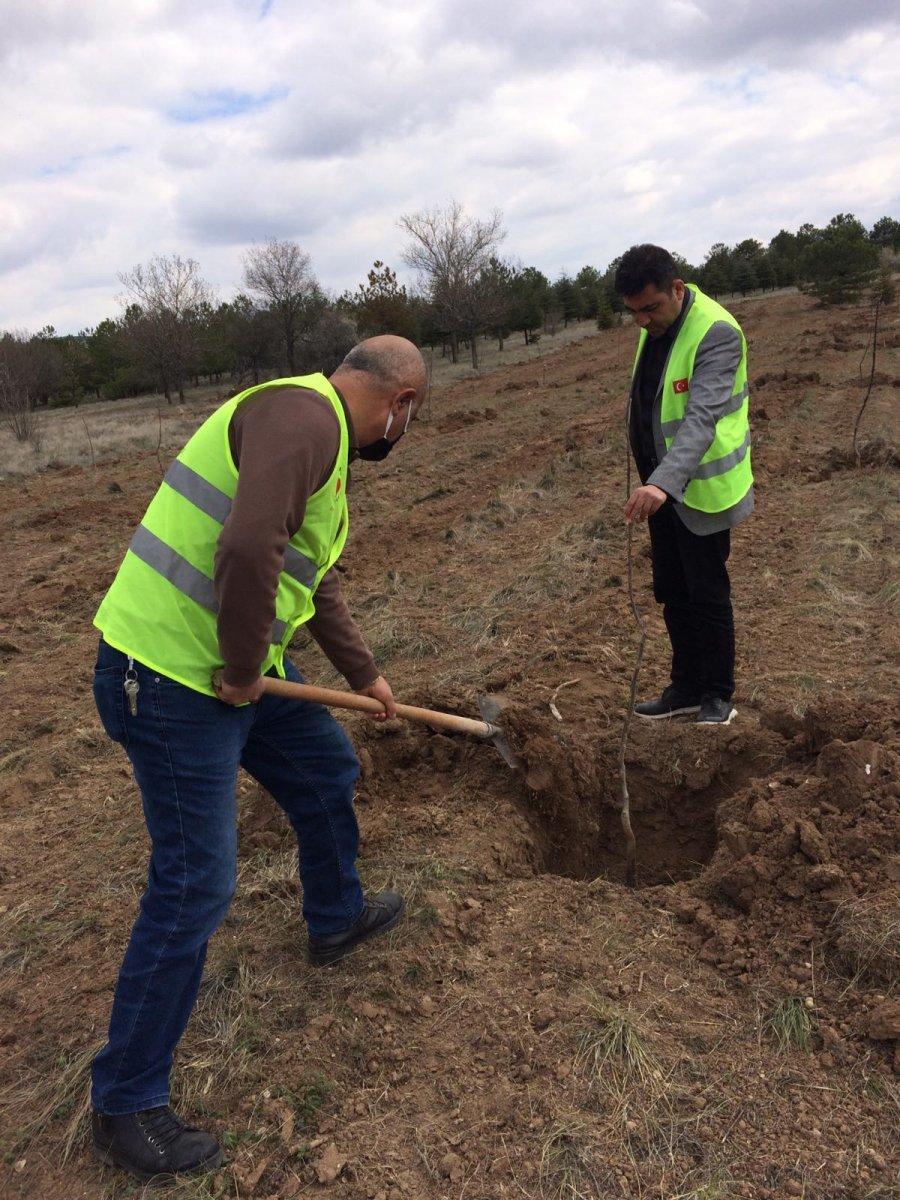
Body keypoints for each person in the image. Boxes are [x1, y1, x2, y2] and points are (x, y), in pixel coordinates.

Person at [89, 335, 427, 1182]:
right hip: (171, 677)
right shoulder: (302, 418)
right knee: (196, 882)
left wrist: (368, 676)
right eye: (408, 416)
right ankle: (126, 1102)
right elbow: (246, 552)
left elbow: (313, 579)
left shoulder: (323, 439)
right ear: (400, 402)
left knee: (325, 771)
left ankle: (334, 916)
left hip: (237, 673)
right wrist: (243, 670)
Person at [614, 244, 753, 726]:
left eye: (649, 308)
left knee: (707, 593)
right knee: (672, 590)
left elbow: (701, 418)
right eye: (633, 312)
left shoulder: (715, 332)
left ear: (677, 289)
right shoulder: (657, 323)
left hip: (702, 488)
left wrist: (662, 484)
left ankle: (718, 693)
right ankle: (685, 687)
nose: (642, 321)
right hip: (663, 488)